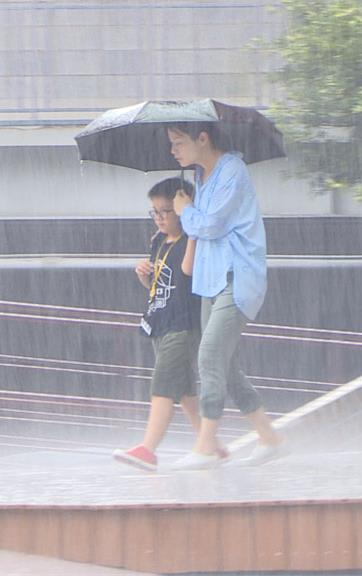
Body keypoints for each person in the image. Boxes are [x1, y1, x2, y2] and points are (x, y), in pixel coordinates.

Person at [166, 122, 287, 470]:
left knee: (208, 356)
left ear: (203, 139)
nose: (173, 151)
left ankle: (205, 447)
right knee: (226, 366)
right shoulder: (201, 179)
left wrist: (185, 212)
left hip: (237, 277)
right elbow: (200, 229)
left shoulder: (232, 170)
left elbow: (210, 225)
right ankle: (270, 438)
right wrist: (188, 209)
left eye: (178, 142)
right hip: (209, 281)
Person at [114, 178, 207, 472]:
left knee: (163, 383)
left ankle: (148, 449)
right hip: (159, 321)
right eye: (154, 212)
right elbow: (157, 285)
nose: (159, 218)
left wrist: (192, 226)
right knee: (183, 390)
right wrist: (144, 275)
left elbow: (188, 272)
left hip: (182, 324)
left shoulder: (191, 240)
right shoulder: (157, 241)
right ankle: (210, 442)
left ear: (182, 210)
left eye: (166, 212)